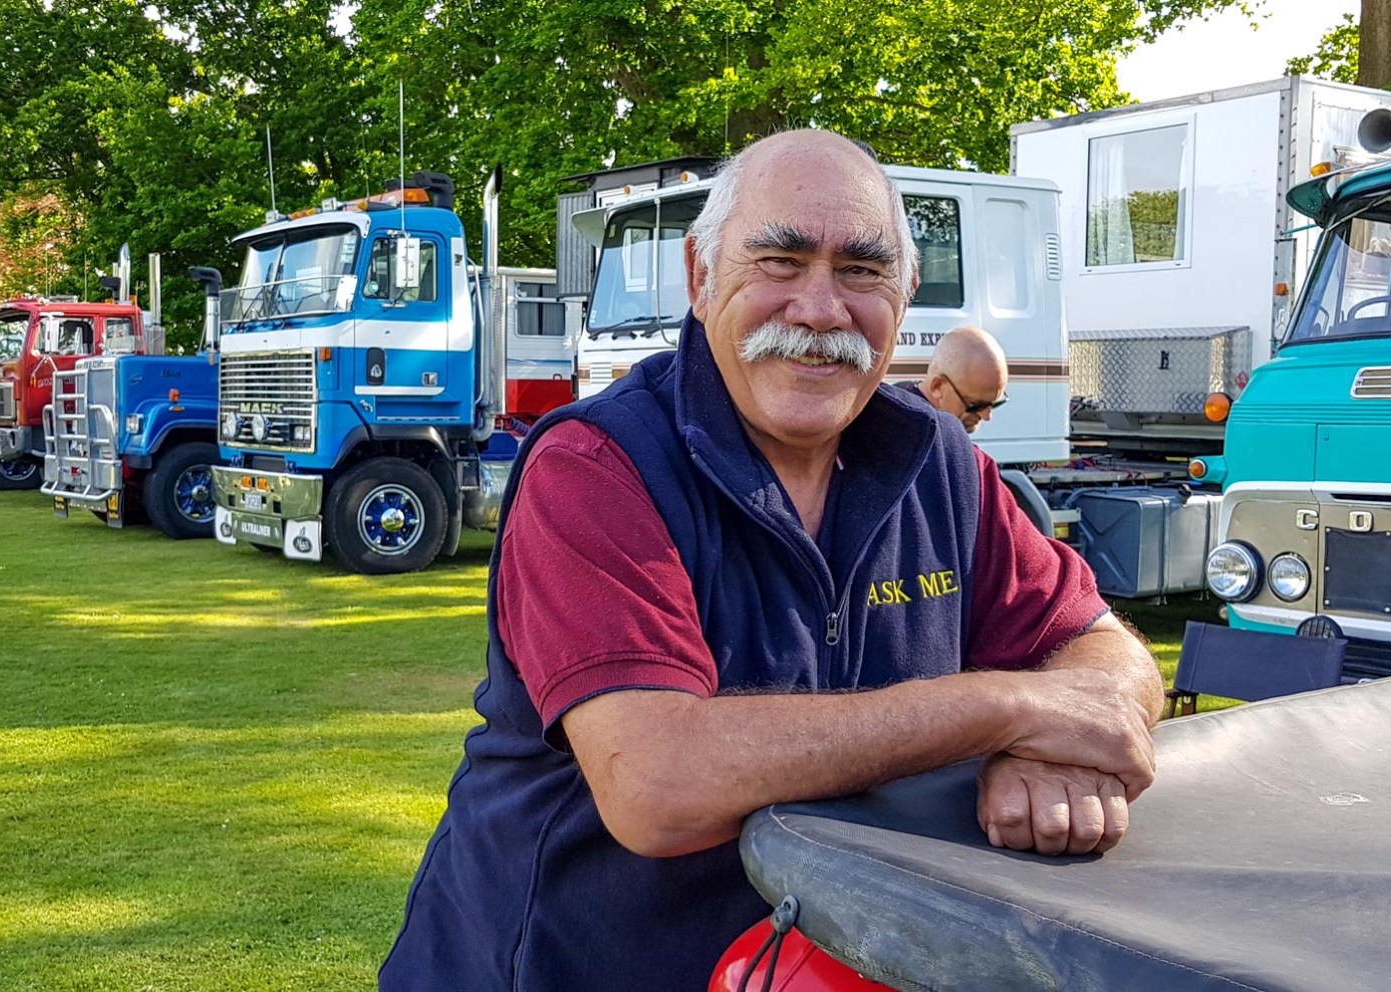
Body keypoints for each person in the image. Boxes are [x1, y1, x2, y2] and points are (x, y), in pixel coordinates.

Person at [379, 130, 1162, 991]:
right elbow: (658, 785)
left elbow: (1108, 657)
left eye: (863, 271)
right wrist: (1008, 710)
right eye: (782, 260)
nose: (821, 309)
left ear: (905, 296)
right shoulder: (596, 466)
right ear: (700, 277)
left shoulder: (939, 460)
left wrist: (1053, 747)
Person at [920, 325, 1009, 434]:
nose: (987, 416)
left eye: (995, 404)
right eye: (976, 405)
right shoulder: (914, 436)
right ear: (937, 387)